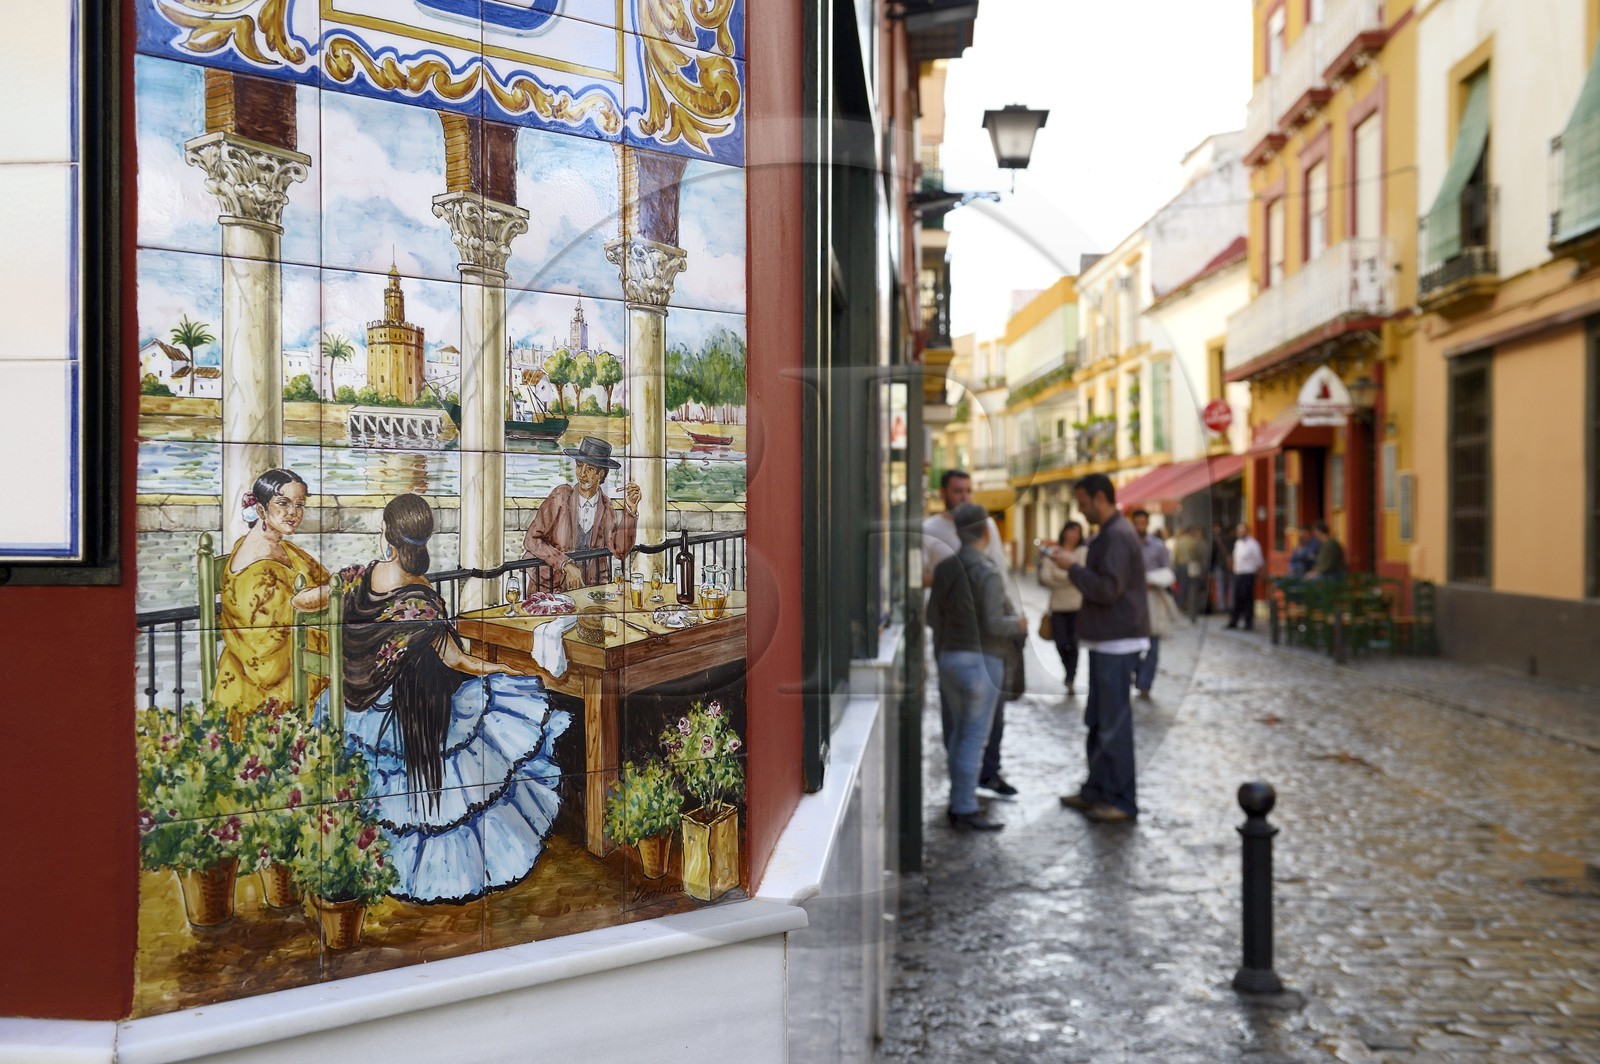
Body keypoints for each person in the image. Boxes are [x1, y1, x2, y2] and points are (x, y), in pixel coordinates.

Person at [312, 494, 573, 903]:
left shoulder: (353, 577)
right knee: (493, 709)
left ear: (386, 533)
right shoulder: (423, 596)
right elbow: (458, 660)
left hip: (352, 702)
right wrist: (500, 669)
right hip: (404, 714)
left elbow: (303, 601)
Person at [1048, 474, 1149, 823]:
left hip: (1117, 643)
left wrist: (1072, 567)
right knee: (1097, 721)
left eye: (1083, 502)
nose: (1079, 508)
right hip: (1106, 640)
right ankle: (1097, 789)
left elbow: (1108, 590)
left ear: (1101, 498)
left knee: (1113, 725)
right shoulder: (1107, 535)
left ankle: (1121, 800)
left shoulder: (1118, 536)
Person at [921, 469, 1023, 799]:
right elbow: (918, 580)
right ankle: (963, 793)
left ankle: (987, 774)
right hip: (956, 637)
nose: (964, 496)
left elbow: (1001, 576)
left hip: (987, 640)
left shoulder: (987, 525)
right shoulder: (928, 530)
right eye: (957, 491)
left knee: (992, 716)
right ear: (943, 493)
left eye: (968, 490)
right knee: (958, 717)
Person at [215, 468, 330, 739]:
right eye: (283, 503)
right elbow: (263, 641)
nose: (293, 512)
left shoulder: (283, 547)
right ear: (261, 509)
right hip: (265, 669)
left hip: (294, 648)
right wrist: (326, 595)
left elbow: (318, 582)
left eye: (299, 504)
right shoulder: (258, 559)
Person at [522, 436, 641, 591]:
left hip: (587, 588)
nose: (582, 473)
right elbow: (532, 540)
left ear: (601, 474)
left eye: (590, 469)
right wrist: (565, 563)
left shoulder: (606, 506)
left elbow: (620, 550)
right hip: (551, 587)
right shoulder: (561, 497)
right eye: (579, 466)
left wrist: (630, 510)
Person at [1129, 509, 1175, 699]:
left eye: (1143, 522)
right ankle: (1138, 675)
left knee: (1153, 646)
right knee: (1132, 646)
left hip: (1153, 600)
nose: (1140, 526)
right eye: (1137, 522)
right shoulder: (1125, 545)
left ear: (1147, 524)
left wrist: (1154, 580)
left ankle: (1145, 684)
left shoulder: (1158, 546)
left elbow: (1169, 571)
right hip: (1130, 601)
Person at [1038, 521, 1087, 696]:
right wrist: (1071, 574)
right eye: (1071, 531)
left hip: (1077, 606)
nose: (1073, 535)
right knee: (1060, 642)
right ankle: (1067, 670)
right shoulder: (1054, 552)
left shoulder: (1082, 552)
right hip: (1057, 606)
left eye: (1077, 532)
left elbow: (1082, 574)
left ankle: (1070, 677)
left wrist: (1061, 574)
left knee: (1073, 643)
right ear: (1064, 532)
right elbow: (1045, 578)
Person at [1228, 522, 1265, 631]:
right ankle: (1234, 621)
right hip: (1238, 573)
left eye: (1243, 530)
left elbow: (1259, 560)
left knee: (1247, 598)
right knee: (1237, 598)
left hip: (1248, 574)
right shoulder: (1238, 543)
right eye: (1239, 530)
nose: (1241, 532)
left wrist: (1257, 573)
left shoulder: (1253, 544)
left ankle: (1248, 622)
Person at [1172, 526, 1206, 621]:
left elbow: (1174, 556)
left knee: (1182, 588)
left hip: (1181, 567)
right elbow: (1201, 554)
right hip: (1192, 567)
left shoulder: (1179, 541)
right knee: (1193, 590)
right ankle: (1192, 613)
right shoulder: (1195, 542)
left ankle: (1179, 608)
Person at [1210, 522, 1234, 614]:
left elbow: (1213, 554)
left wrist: (1211, 567)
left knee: (1220, 586)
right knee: (1231, 586)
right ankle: (1232, 604)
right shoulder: (1233, 539)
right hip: (1231, 566)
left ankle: (1222, 606)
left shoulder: (1217, 540)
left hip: (1219, 565)